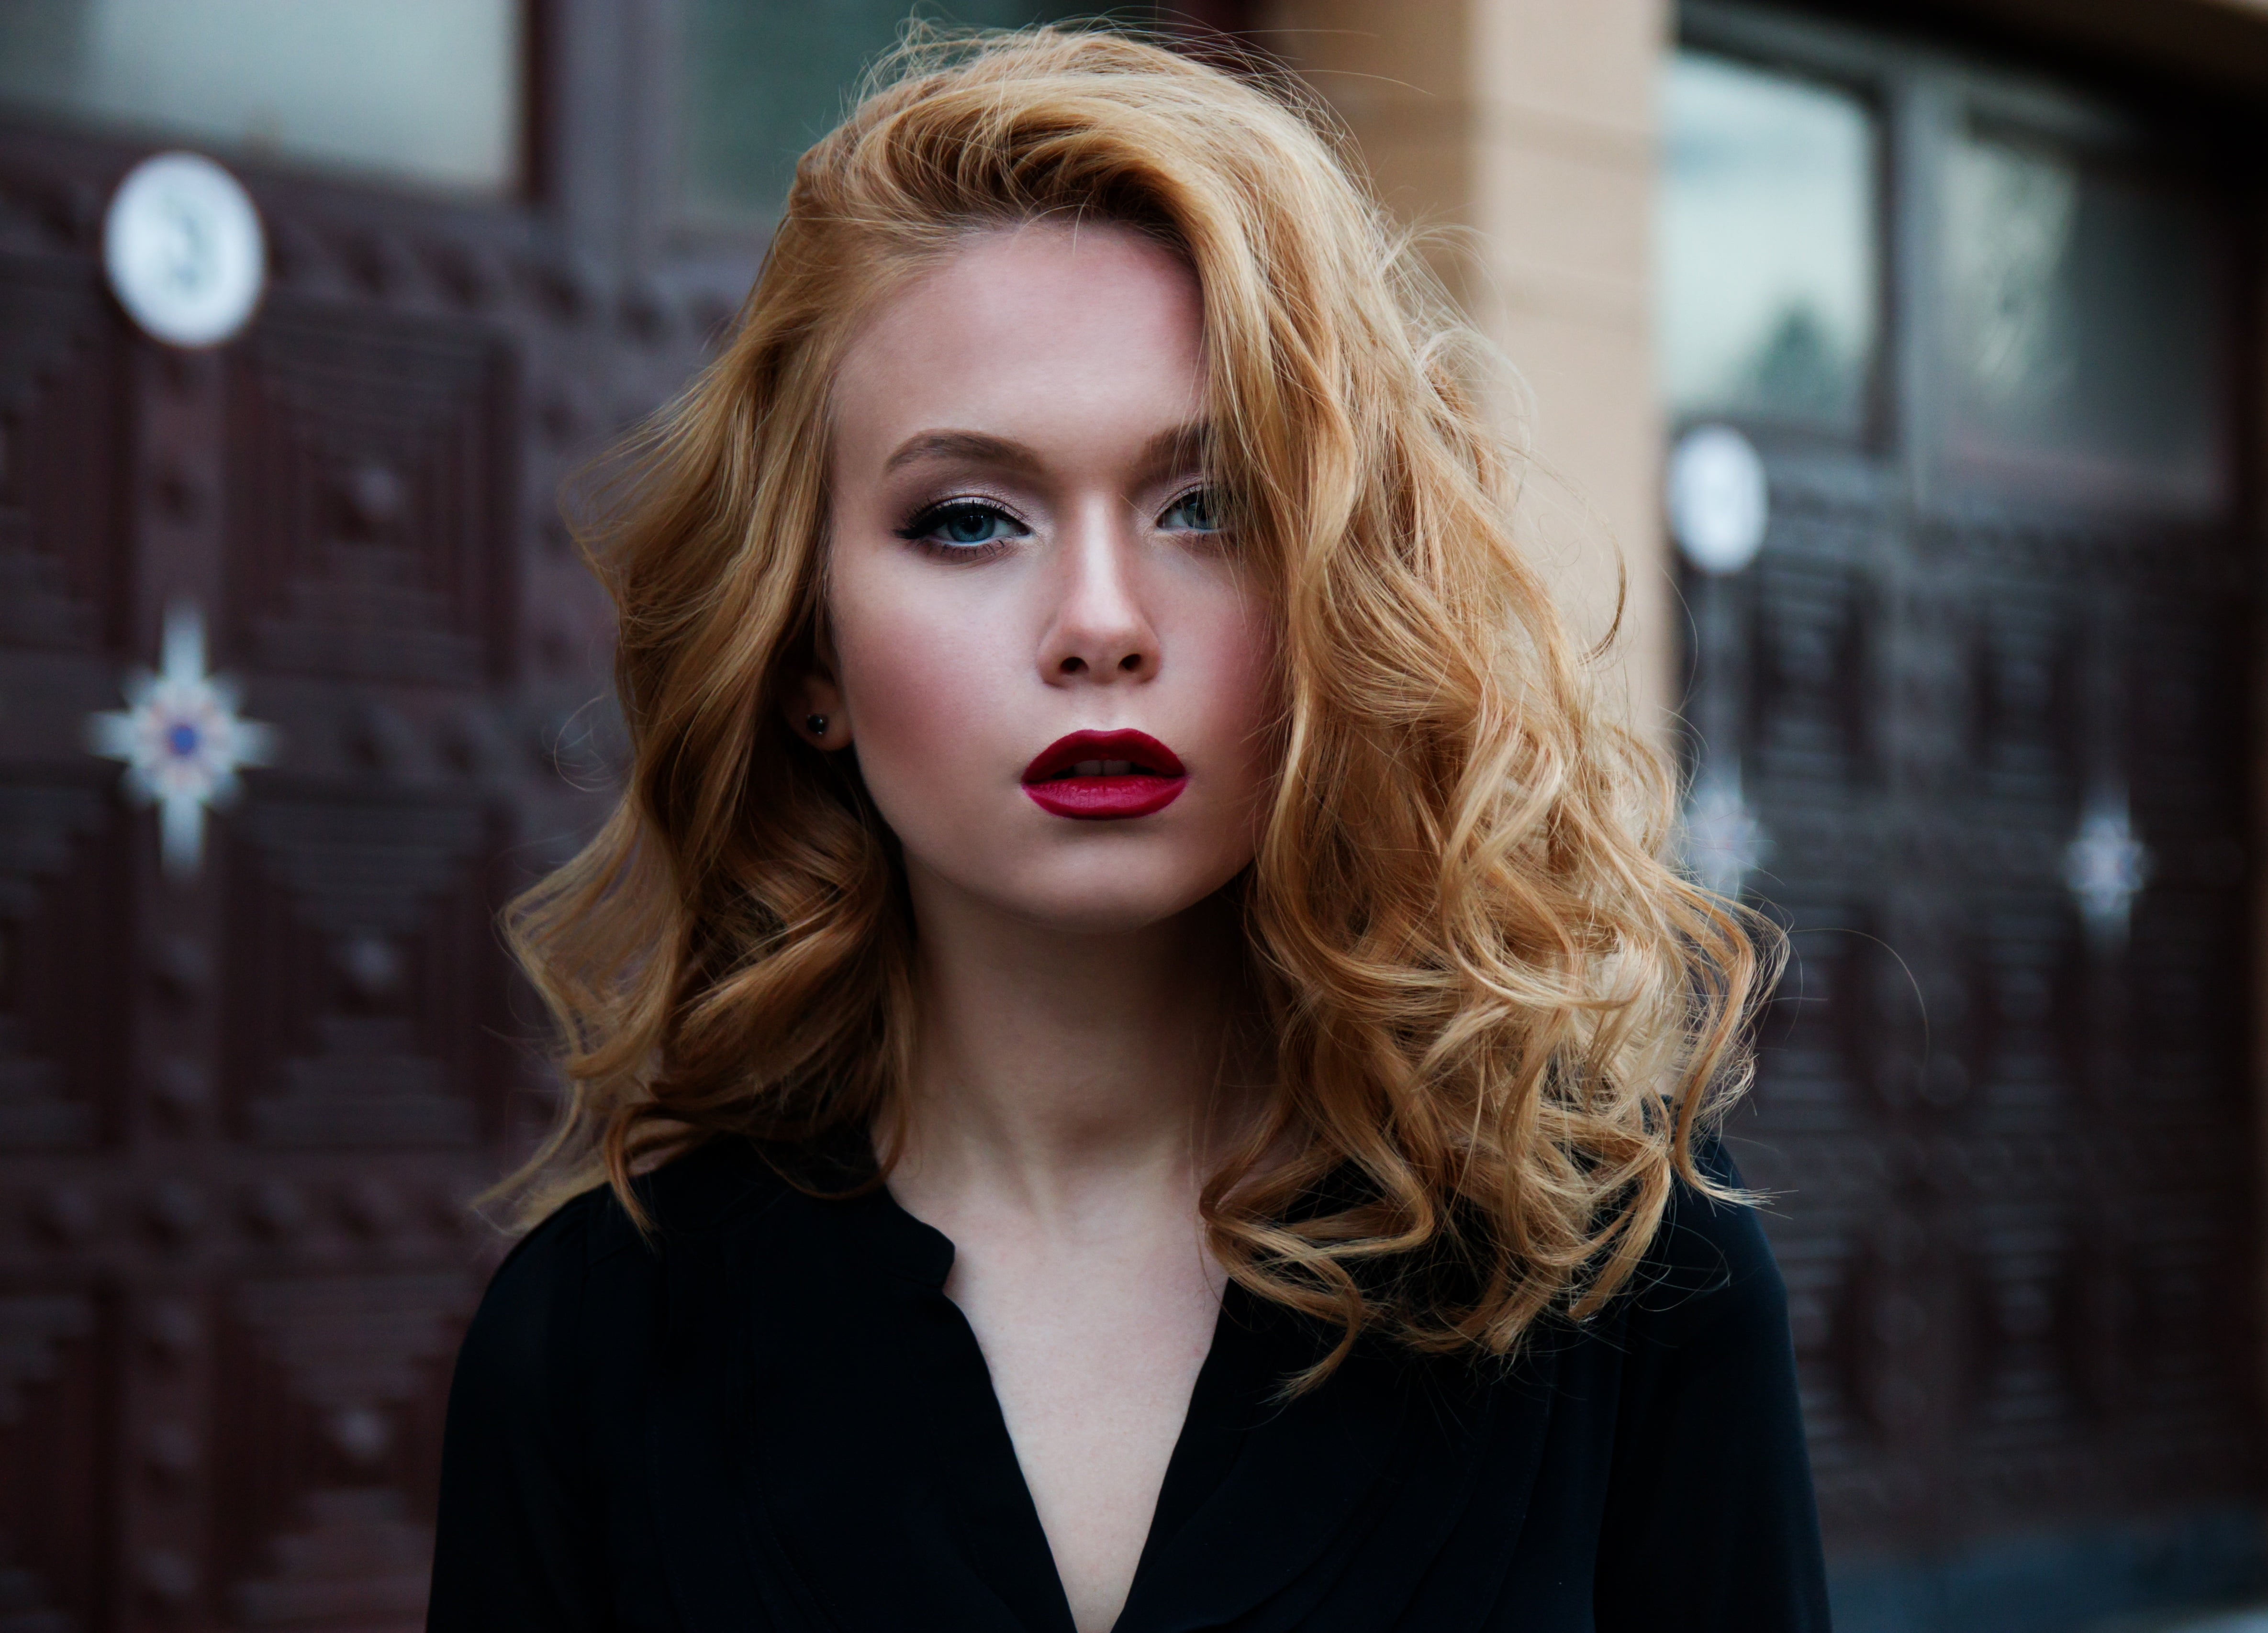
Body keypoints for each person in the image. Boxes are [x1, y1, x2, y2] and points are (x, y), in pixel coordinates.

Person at [426, 27, 1827, 1633]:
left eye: (1209, 506)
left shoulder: (1618, 1260)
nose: (1100, 626)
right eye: (970, 520)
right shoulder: (592, 1341)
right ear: (808, 649)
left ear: (1336, 599)